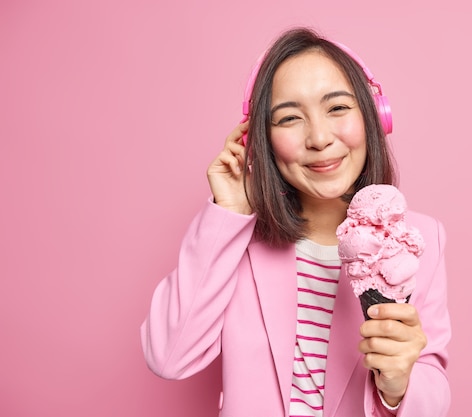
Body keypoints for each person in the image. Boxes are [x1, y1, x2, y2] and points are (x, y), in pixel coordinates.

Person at [141, 27, 451, 417]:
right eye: (289, 118)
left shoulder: (417, 240)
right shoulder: (237, 242)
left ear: (375, 116)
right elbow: (168, 356)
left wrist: (398, 385)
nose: (319, 138)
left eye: (337, 108)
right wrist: (229, 211)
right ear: (260, 140)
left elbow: (434, 390)